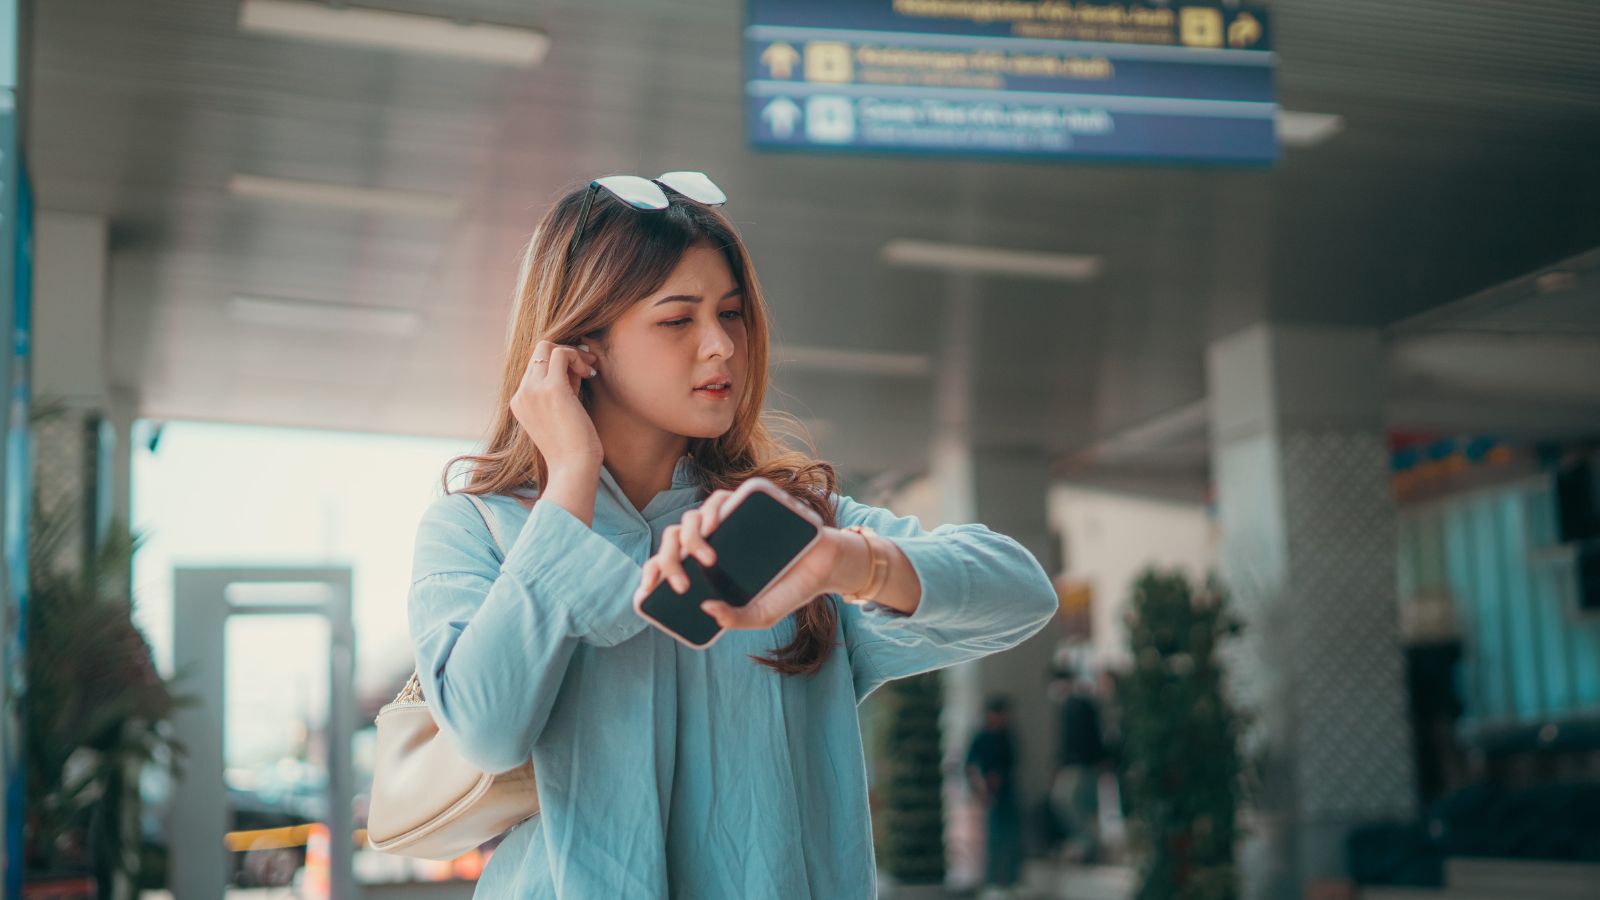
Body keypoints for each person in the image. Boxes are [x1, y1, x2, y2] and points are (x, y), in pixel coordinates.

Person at [405, 172, 1060, 899]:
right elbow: (486, 732)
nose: (720, 346)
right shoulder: (480, 529)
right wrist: (570, 481)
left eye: (731, 313)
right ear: (580, 345)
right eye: (677, 320)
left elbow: (1021, 593)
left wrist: (849, 564)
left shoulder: (787, 523)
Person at [966, 696, 1024, 897]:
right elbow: (971, 766)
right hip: (989, 796)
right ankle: (993, 882)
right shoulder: (982, 737)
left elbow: (1012, 763)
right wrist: (980, 788)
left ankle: (1012, 880)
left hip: (1007, 792)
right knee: (994, 839)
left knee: (1012, 837)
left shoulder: (1007, 736)